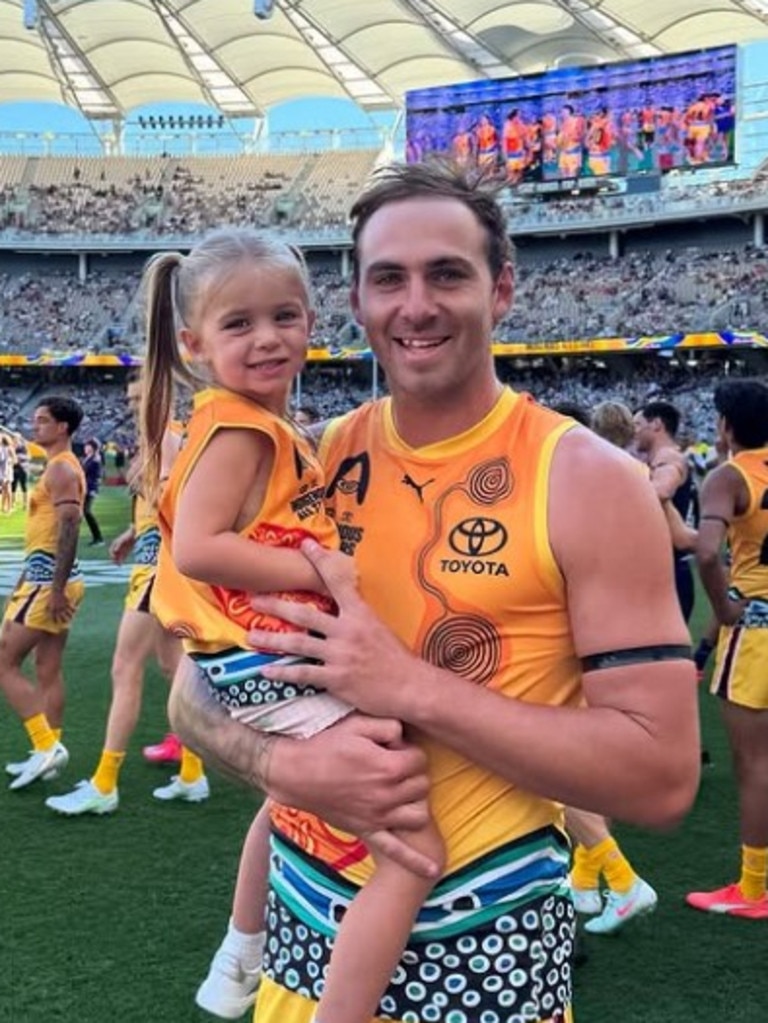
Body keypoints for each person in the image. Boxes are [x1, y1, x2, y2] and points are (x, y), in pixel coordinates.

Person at [165, 164, 700, 1023]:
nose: (416, 305)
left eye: (447, 273)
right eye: (389, 279)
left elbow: (663, 777)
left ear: (503, 290)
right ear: (359, 303)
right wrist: (283, 764)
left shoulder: (587, 479)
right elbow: (194, 686)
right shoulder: (315, 456)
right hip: (301, 942)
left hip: (478, 956)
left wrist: (407, 685)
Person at [140, 227, 444, 1023]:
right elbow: (203, 549)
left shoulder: (260, 426)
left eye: (284, 316)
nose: (267, 338)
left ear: (313, 320)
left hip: (257, 659)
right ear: (193, 341)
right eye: (238, 325)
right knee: (415, 851)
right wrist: (323, 569)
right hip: (264, 661)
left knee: (283, 802)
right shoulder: (240, 428)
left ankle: (240, 952)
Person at [44, 376, 202, 817]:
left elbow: (173, 496)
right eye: (130, 398)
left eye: (140, 397)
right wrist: (134, 530)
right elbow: (159, 501)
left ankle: (105, 782)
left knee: (124, 667)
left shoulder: (165, 436)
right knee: (172, 666)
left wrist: (150, 529)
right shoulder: (159, 437)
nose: (132, 404)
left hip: (159, 564)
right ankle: (192, 773)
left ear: (163, 397)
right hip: (155, 556)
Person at [566, 400, 658, 936]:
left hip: (584, 643)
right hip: (615, 640)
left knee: (540, 773)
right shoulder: (623, 478)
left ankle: (622, 880)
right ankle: (585, 878)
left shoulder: (580, 489)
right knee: (579, 774)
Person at [684, 379, 768, 919]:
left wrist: (726, 609)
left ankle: (755, 889)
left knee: (755, 764)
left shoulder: (729, 474)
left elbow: (707, 553)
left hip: (758, 632)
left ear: (727, 424)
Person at [1, 397, 85, 790]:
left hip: (49, 581)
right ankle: (47, 753)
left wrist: (53, 588)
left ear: (63, 427)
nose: (35, 426)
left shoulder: (62, 468)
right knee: (47, 667)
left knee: (4, 661)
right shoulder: (57, 466)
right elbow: (48, 530)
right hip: (44, 578)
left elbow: (70, 526)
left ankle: (46, 744)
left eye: (43, 420)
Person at [633, 400, 696, 624]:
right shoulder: (660, 458)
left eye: (638, 424)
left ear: (657, 424)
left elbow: (661, 491)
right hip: (664, 571)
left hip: (668, 573)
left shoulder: (668, 457)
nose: (634, 431)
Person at [81, 437, 105, 546]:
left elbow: (96, 476)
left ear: (92, 447)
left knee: (87, 512)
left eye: (87, 445)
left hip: (90, 489)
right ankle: (97, 537)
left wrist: (93, 488)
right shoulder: (88, 458)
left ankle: (98, 538)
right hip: (85, 488)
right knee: (84, 512)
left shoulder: (95, 460)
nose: (85, 447)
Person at [12, 432, 30, 510]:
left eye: (16, 437)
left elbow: (28, 457)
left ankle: (25, 504)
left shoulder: (23, 446)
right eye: (14, 437)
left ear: (19, 438)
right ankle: (12, 503)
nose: (15, 439)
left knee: (24, 486)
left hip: (23, 468)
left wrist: (19, 458)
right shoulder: (11, 446)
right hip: (13, 468)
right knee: (13, 486)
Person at [0, 434, 14, 514]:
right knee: (3, 489)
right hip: (1, 471)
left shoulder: (9, 448)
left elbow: (15, 460)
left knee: (7, 489)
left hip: (7, 470)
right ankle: (2, 507)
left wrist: (9, 462)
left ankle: (9, 507)